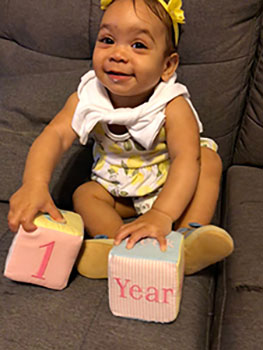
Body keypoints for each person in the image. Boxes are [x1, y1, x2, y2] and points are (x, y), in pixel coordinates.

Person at [8, 0, 233, 279]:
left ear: (167, 65)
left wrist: (162, 213)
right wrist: (34, 183)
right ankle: (117, 244)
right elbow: (54, 135)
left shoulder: (171, 105)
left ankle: (187, 236)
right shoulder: (89, 97)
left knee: (208, 160)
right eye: (107, 40)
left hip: (171, 184)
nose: (117, 54)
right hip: (119, 189)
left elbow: (187, 159)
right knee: (85, 194)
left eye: (138, 45)